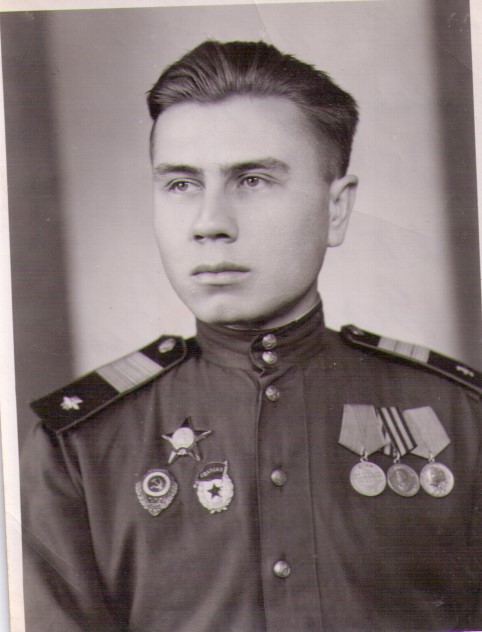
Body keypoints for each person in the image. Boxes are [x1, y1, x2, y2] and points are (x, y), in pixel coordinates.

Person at [21, 40, 481, 632]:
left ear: (336, 209)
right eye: (181, 184)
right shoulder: (81, 447)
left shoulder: (461, 417)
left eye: (253, 180)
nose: (210, 223)